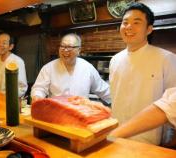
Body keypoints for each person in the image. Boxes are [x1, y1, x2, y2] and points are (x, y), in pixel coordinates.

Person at [109, 2, 176, 145]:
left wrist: (170, 141)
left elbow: (172, 103)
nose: (128, 27)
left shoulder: (166, 58)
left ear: (149, 29)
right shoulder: (115, 60)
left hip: (151, 140)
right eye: (125, 22)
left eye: (136, 22)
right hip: (116, 136)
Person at [31, 33, 111, 104]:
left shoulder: (87, 67)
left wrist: (120, 100)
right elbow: (39, 88)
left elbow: (103, 89)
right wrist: (37, 97)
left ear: (79, 50)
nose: (65, 50)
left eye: (69, 47)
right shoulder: (48, 68)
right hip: (58, 113)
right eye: (62, 46)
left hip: (81, 113)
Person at [109, 87, 176, 143]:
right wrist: (112, 136)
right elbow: (167, 106)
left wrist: (112, 135)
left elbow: (166, 108)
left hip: (151, 140)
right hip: (122, 136)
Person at [0, 32, 28, 97]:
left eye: (4, 43)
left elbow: (22, 87)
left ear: (11, 47)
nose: (0, 45)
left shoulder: (17, 61)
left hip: (9, 101)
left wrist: (8, 96)